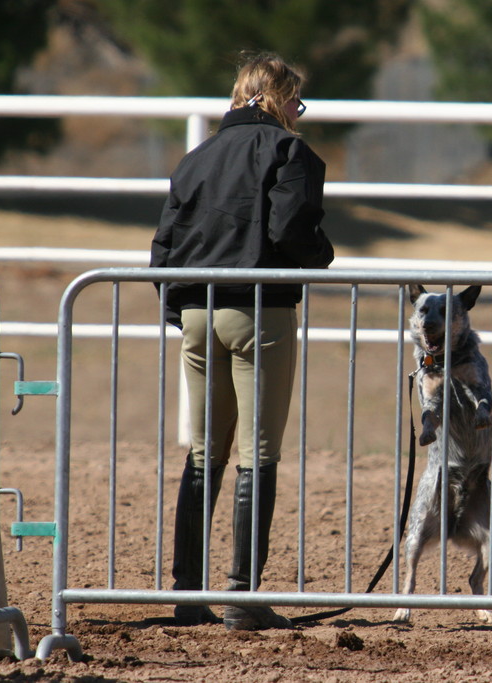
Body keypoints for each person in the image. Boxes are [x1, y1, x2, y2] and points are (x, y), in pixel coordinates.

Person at [150, 52, 334, 630]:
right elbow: (290, 228)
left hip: (199, 314)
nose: (296, 116)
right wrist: (321, 257)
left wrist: (180, 309)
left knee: (204, 454)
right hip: (260, 313)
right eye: (295, 103)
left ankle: (186, 592)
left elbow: (164, 244)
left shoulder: (196, 157)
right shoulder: (288, 152)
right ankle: (242, 595)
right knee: (259, 454)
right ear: (277, 98)